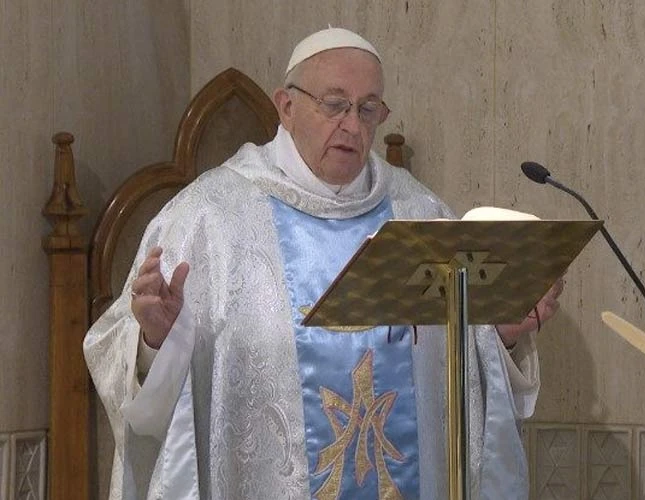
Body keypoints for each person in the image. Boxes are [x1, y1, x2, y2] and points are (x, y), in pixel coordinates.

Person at [84, 27, 564, 500]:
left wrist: (500, 332)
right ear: (287, 106)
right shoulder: (207, 219)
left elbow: (466, 387)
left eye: (368, 108)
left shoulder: (421, 214)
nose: (353, 125)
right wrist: (153, 342)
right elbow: (119, 363)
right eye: (335, 105)